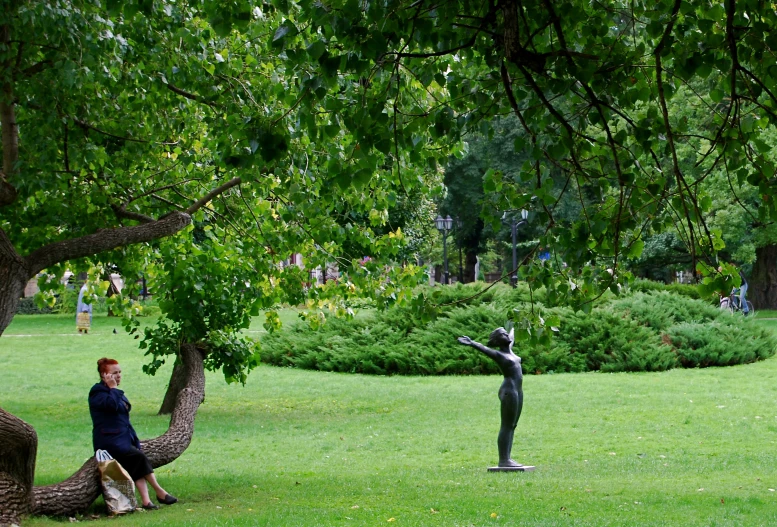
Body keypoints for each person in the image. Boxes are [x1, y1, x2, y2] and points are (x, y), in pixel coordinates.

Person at [89, 358, 178, 510]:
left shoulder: (113, 390)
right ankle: (159, 491)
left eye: (119, 372)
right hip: (108, 442)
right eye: (114, 373)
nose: (118, 376)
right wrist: (113, 389)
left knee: (136, 463)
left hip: (122, 438)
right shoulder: (97, 392)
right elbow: (111, 406)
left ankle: (146, 501)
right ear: (104, 375)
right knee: (139, 457)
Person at [457, 327, 523, 468]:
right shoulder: (499, 355)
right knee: (506, 425)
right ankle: (504, 459)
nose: (506, 334)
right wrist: (472, 343)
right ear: (498, 340)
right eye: (502, 334)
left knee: (512, 425)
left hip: (518, 390)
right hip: (509, 391)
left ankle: (508, 458)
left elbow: (513, 333)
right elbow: (484, 349)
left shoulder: (510, 350)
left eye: (505, 332)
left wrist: (518, 323)